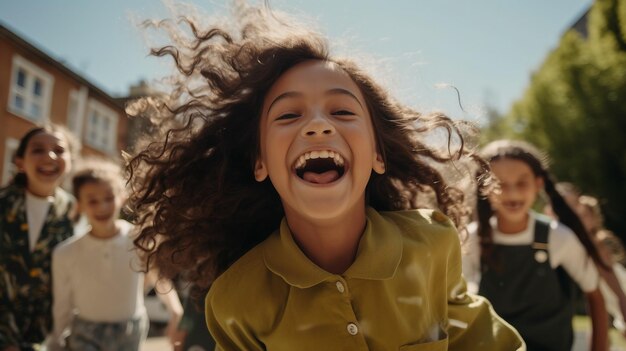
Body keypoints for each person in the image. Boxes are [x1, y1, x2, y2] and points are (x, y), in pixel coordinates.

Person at [126, 2, 524, 350]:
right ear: (260, 162)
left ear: (379, 154)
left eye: (342, 111)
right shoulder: (235, 301)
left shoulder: (432, 246)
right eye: (288, 115)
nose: (317, 125)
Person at [462, 139, 609, 351]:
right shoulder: (473, 240)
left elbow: (594, 294)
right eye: (499, 184)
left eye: (522, 183)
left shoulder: (558, 238)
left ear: (538, 184)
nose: (512, 193)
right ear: (484, 187)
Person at [48, 158, 183, 351]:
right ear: (80, 205)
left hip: (130, 332)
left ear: (122, 197)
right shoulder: (65, 253)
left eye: (109, 198)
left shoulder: (140, 239)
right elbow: (62, 306)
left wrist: (175, 310)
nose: (102, 207)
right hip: (85, 334)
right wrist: (55, 343)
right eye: (92, 201)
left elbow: (156, 276)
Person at [0, 125, 78, 351]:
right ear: (20, 162)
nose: (50, 156)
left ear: (70, 161)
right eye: (37, 150)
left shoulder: (77, 213)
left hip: (47, 341)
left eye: (59, 150)